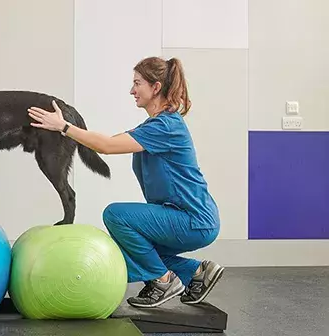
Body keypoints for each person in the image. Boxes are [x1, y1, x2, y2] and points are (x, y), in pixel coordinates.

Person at [27, 56, 224, 308]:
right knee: (135, 250)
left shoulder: (166, 127)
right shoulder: (153, 126)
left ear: (155, 88)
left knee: (116, 215)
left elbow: (107, 147)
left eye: (137, 83)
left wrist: (63, 126)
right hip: (186, 217)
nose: (132, 90)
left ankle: (163, 281)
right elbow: (106, 140)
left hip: (194, 219)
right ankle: (197, 273)